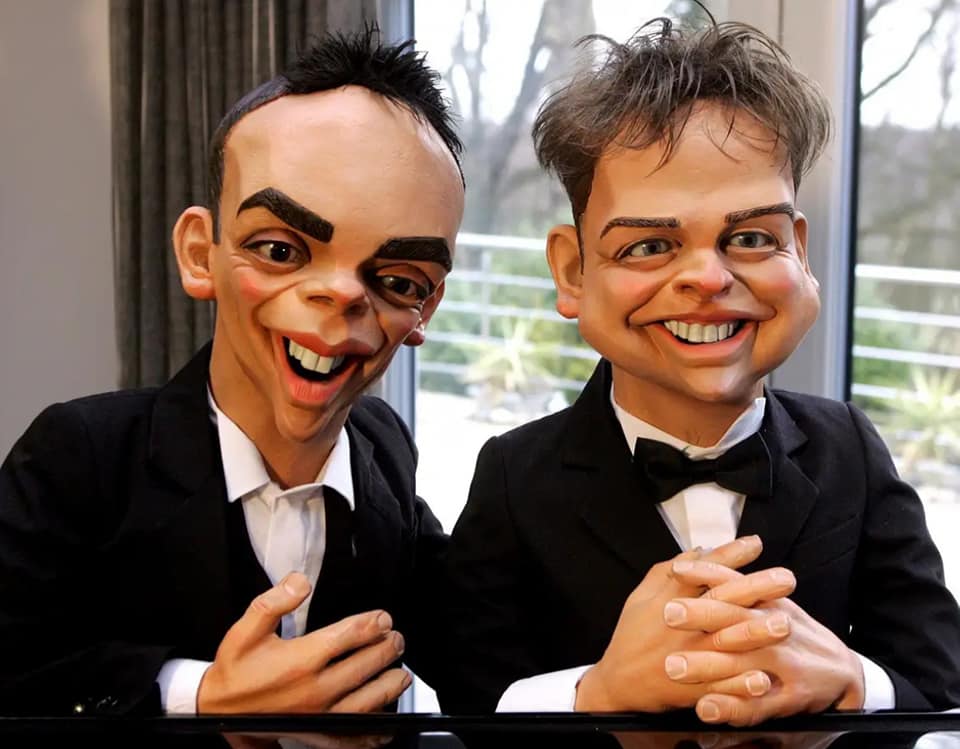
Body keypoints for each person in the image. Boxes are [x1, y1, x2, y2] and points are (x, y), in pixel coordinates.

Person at [438, 16, 960, 726]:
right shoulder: (514, 477)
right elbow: (474, 702)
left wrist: (851, 680)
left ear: (800, 253)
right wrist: (594, 695)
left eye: (750, 237)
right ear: (572, 270)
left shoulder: (853, 452)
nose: (708, 278)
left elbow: (935, 681)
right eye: (649, 245)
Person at [0, 25, 464, 717]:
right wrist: (196, 693)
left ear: (425, 307)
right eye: (280, 250)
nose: (340, 296)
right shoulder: (81, 457)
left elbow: (468, 626)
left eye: (397, 280)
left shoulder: (384, 447)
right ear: (200, 253)